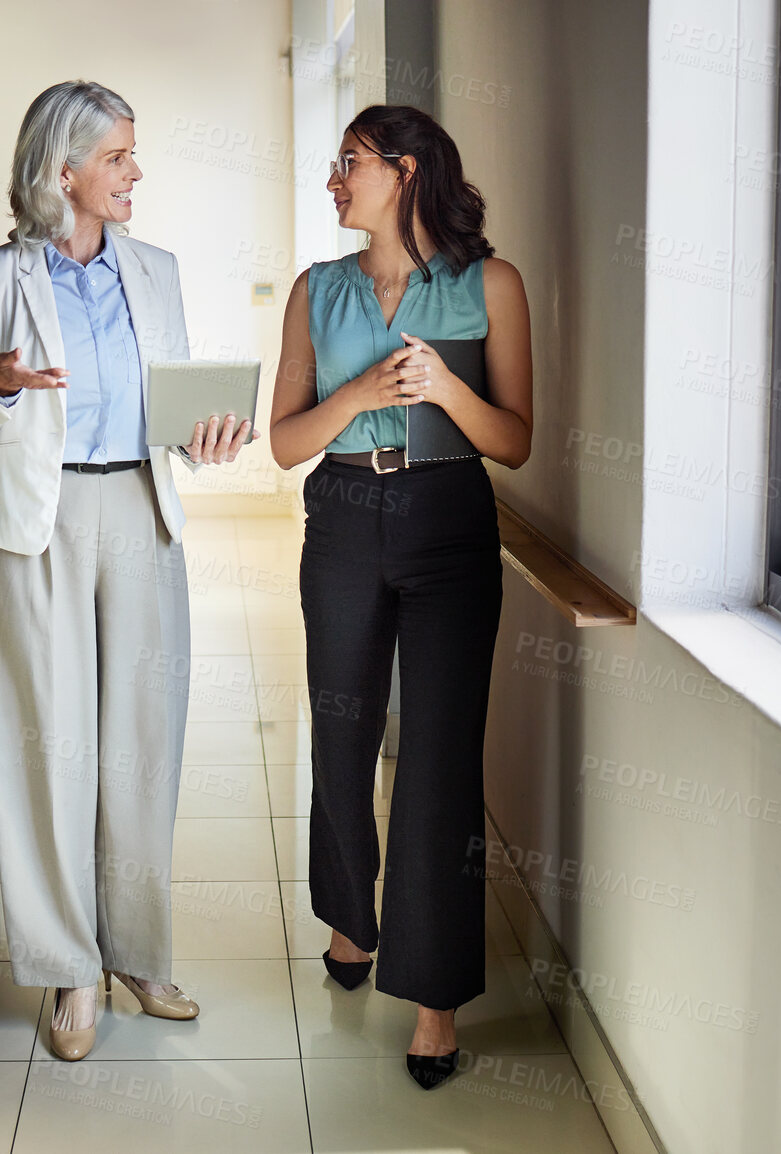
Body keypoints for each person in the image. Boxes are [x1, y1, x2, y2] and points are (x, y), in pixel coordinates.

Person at [0, 80, 252, 1062]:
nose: (134, 172)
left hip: (140, 511)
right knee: (48, 750)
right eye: (118, 156)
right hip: (38, 523)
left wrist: (210, 437)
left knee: (141, 742)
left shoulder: (153, 269)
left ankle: (138, 952)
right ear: (61, 168)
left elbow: (177, 417)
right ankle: (70, 968)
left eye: (133, 153)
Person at [267, 104, 533, 1090]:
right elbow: (287, 440)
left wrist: (444, 391)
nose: (335, 181)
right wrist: (361, 394)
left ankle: (433, 1001)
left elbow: (514, 439)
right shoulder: (317, 288)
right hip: (339, 510)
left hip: (450, 517)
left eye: (350, 164)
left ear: (406, 172)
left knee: (436, 756)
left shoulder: (490, 282)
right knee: (340, 730)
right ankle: (350, 916)